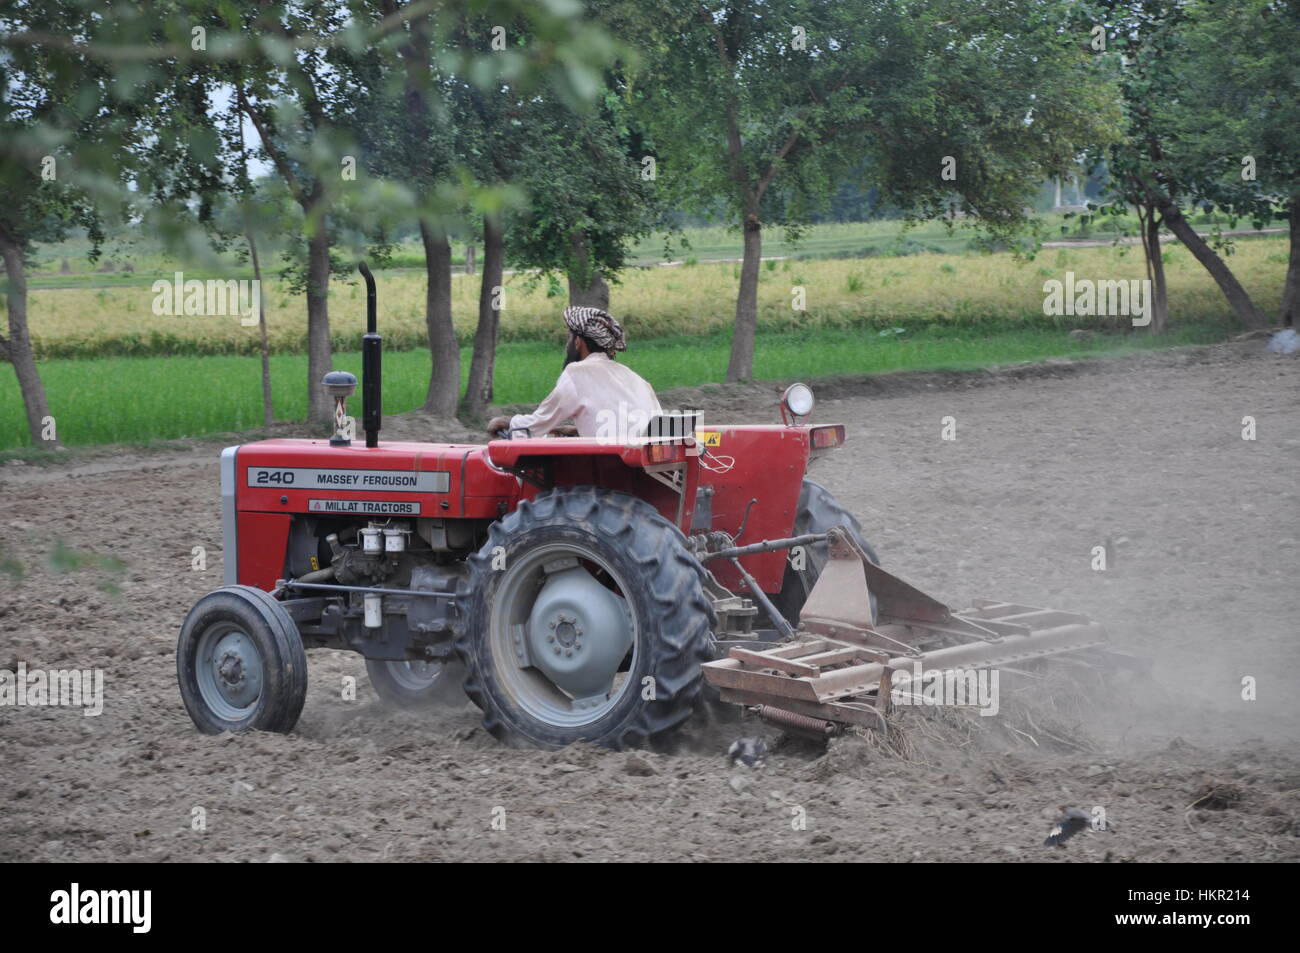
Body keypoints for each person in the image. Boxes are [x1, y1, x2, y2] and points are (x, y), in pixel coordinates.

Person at [487, 306, 661, 440]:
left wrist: (508, 423)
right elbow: (628, 425)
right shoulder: (635, 378)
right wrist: (575, 430)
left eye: (569, 339)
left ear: (578, 342)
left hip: (607, 468)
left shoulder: (577, 374)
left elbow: (538, 423)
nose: (567, 345)